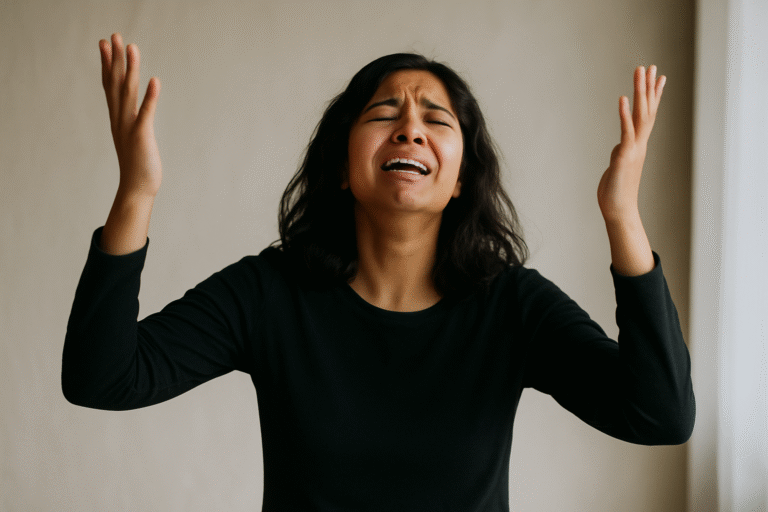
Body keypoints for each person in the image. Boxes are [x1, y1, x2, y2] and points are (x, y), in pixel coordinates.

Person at [62, 33, 695, 511]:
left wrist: (621, 216)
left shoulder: (510, 304)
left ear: (460, 180)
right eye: (384, 113)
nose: (410, 130)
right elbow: (103, 377)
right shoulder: (270, 292)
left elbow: (659, 414)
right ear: (343, 167)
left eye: (435, 120)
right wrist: (136, 194)